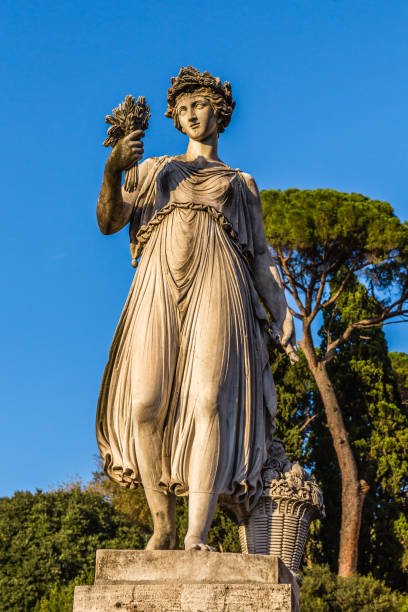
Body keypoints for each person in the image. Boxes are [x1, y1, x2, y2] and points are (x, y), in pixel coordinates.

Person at [96, 66, 297, 551]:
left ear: (220, 112)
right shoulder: (152, 170)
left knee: (209, 401)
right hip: (158, 281)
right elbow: (108, 221)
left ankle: (194, 534)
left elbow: (263, 257)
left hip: (220, 278)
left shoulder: (241, 183)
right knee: (145, 403)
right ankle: (161, 523)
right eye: (182, 109)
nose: (189, 115)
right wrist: (112, 168)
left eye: (199, 105)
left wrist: (283, 312)